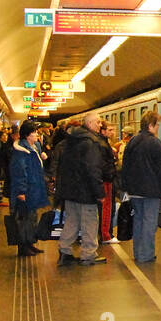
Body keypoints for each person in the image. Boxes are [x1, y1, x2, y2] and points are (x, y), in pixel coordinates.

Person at [55, 113, 110, 266]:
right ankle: (89, 254)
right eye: (98, 122)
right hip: (85, 191)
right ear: (91, 123)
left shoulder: (71, 140)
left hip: (71, 190)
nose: (100, 125)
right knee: (90, 222)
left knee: (72, 221)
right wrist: (99, 192)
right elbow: (93, 169)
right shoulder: (90, 142)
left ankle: (64, 251)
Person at [120, 110, 161, 263]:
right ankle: (146, 255)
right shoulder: (156, 144)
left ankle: (137, 252)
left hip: (134, 191)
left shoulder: (132, 142)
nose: (158, 128)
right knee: (149, 222)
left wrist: (126, 188)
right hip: (151, 191)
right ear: (151, 125)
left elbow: (125, 167)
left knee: (138, 220)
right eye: (157, 125)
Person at [8, 120, 49, 256]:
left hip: (34, 188)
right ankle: (23, 246)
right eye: (34, 133)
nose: (37, 135)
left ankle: (30, 242)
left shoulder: (34, 147)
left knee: (31, 217)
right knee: (23, 219)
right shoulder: (20, 151)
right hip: (26, 190)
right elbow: (19, 172)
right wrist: (21, 191)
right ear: (27, 135)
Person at [98, 121, 120, 244]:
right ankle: (106, 235)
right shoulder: (103, 144)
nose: (113, 133)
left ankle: (106, 233)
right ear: (103, 131)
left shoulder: (103, 143)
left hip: (105, 179)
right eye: (110, 130)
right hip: (106, 180)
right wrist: (110, 175)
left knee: (107, 207)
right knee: (106, 208)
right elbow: (104, 164)